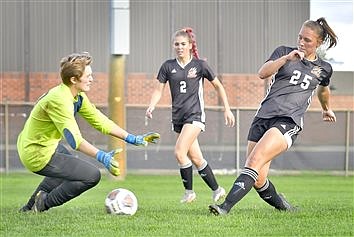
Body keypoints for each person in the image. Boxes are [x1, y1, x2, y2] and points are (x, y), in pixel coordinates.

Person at [209, 17, 337, 215]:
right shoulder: (284, 52)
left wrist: (326, 108)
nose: (301, 42)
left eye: (308, 40)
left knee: (253, 162)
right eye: (300, 37)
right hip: (263, 117)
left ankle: (224, 207)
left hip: (288, 121)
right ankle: (285, 207)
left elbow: (323, 90)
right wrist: (286, 59)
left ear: (319, 43)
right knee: (258, 177)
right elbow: (262, 73)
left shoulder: (324, 68)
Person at [17, 52, 160, 212]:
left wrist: (132, 138)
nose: (92, 79)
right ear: (74, 79)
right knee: (91, 176)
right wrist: (102, 156)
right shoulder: (60, 100)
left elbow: (100, 121)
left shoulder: (77, 96)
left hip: (41, 146)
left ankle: (29, 209)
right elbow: (75, 141)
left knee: (67, 166)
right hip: (36, 153)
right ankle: (44, 203)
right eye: (88, 75)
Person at [145, 28, 235, 203]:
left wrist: (227, 109)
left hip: (195, 116)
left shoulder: (200, 65)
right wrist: (151, 105)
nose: (179, 47)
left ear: (190, 45)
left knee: (179, 152)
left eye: (183, 44)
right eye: (176, 44)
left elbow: (218, 86)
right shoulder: (167, 66)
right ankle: (217, 189)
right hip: (178, 117)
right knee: (196, 158)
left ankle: (189, 192)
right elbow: (158, 89)